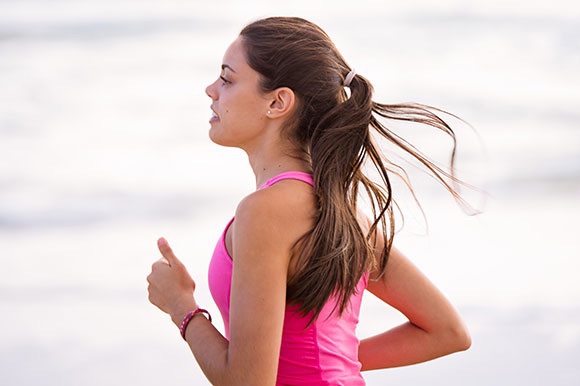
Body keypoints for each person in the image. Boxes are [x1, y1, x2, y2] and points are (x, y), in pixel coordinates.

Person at [147, 16, 472, 385]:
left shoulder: (263, 213)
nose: (211, 90)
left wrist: (182, 307)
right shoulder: (343, 214)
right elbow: (446, 331)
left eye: (227, 78)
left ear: (277, 102)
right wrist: (337, 364)